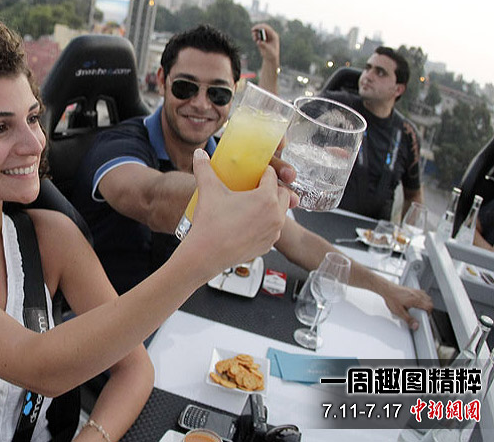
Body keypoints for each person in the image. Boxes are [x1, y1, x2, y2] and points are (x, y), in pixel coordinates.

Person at [0, 16, 292, 442]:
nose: (34, 143)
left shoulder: (52, 238)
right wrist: (203, 256)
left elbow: (135, 368)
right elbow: (37, 366)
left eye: (32, 118)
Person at [71, 24, 432, 331]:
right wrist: (247, 187)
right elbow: (151, 198)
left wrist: (384, 288)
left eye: (218, 93)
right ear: (162, 80)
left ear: (234, 96)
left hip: (182, 319)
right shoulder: (119, 145)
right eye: (185, 87)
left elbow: (299, 241)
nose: (201, 103)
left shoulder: (226, 156)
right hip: (105, 326)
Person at [320, 47, 423, 221]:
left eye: (380, 73)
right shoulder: (338, 105)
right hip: (325, 219)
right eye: (367, 68)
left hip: (373, 232)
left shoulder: (407, 134)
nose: (368, 76)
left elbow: (414, 196)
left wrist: (405, 232)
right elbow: (284, 120)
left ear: (398, 89)